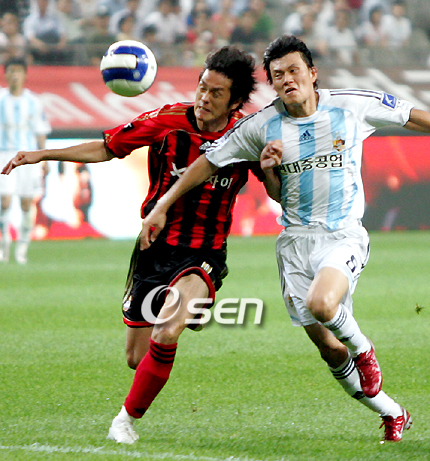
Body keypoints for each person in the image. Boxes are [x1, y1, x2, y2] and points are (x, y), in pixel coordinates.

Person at [138, 35, 430, 442]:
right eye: (278, 75)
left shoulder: (351, 106)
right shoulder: (262, 126)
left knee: (322, 304)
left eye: (294, 70)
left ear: (312, 73)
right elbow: (209, 162)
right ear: (273, 84)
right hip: (294, 244)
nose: (287, 79)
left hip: (342, 235)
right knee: (330, 349)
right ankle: (393, 412)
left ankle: (365, 351)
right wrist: (164, 204)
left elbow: (413, 116)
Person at [1, 45, 259, 443]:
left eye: (216, 93)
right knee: (136, 358)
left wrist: (273, 166)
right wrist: (42, 154)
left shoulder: (248, 134)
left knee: (167, 329)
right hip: (154, 248)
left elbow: (274, 187)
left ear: (236, 100)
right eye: (202, 87)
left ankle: (124, 421)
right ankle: (182, 313)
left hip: (203, 251)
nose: (204, 98)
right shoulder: (166, 121)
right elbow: (107, 147)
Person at [0, 57, 51, 264]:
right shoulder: (1, 99)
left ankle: (22, 248)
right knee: (5, 200)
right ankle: (4, 244)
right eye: (11, 71)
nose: (14, 75)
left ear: (25, 75)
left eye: (18, 71)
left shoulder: (33, 101)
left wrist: (45, 158)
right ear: (5, 74)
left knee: (26, 203)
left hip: (28, 157)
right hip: (4, 154)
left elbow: (40, 131)